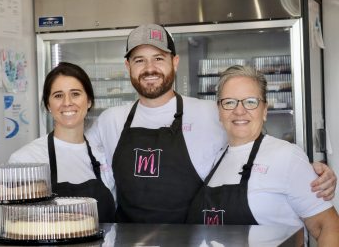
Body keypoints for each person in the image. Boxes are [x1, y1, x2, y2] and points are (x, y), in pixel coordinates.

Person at [85, 24, 337, 223]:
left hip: (192, 242)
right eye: (139, 60)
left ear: (175, 62)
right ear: (128, 66)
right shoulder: (111, 120)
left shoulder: (209, 112)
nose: (150, 68)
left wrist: (308, 170)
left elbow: (255, 146)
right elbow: (75, 158)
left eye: (159, 58)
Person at [186, 65, 339, 245]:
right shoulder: (215, 160)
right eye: (229, 102)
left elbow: (327, 227)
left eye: (250, 102)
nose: (239, 110)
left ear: (264, 110)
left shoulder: (286, 156)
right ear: (219, 111)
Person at [9, 62, 115, 222]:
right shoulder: (26, 160)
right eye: (58, 95)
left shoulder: (103, 156)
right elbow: (16, 224)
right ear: (48, 105)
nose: (67, 102)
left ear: (89, 101)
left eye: (75, 94)